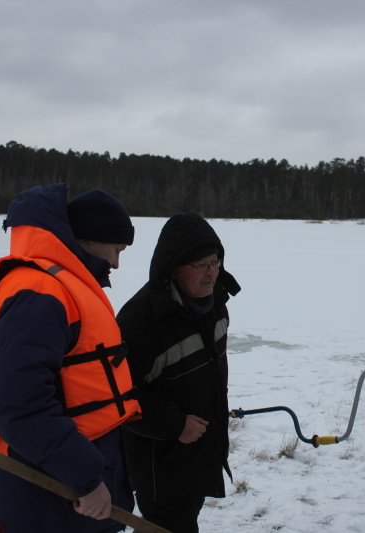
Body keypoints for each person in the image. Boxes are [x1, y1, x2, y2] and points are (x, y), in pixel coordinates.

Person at [0, 184, 142, 533]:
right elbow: (18, 403)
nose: (115, 262)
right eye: (116, 249)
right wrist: (84, 478)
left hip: (65, 486)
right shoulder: (38, 292)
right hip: (42, 492)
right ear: (92, 239)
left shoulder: (62, 285)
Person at [116, 213, 241, 533]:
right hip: (162, 462)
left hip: (200, 450)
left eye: (215, 261)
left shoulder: (215, 304)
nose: (212, 272)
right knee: (167, 525)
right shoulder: (141, 323)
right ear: (172, 268)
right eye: (200, 265)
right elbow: (118, 396)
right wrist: (175, 425)